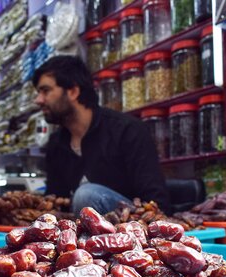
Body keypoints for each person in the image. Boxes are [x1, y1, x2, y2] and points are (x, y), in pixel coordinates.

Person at [32, 56, 171, 215]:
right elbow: (55, 202)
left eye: (46, 91)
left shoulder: (127, 130)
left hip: (132, 230)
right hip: (81, 235)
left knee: (87, 196)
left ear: (73, 91)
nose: (38, 100)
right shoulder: (57, 144)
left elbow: (158, 204)